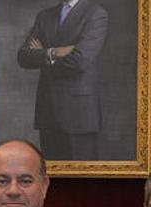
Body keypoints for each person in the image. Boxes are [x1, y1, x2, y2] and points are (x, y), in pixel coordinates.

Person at [17, 0, 108, 161]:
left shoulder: (96, 14)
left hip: (79, 114)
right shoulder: (45, 16)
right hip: (47, 111)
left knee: (81, 181)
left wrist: (43, 54)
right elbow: (23, 57)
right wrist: (54, 52)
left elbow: (79, 61)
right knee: (53, 178)